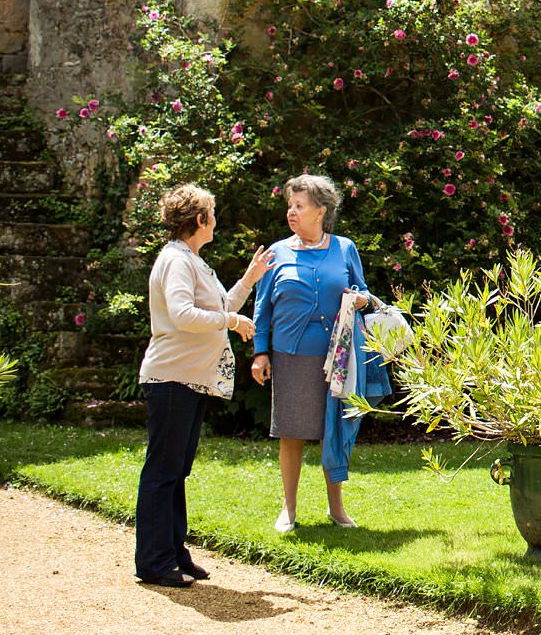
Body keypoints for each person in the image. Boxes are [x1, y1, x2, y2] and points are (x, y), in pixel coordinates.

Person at [136, 183, 271, 587]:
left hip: (189, 380)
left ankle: (174, 553)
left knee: (176, 470)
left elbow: (219, 307)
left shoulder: (192, 260)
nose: (216, 220)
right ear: (200, 220)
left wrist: (249, 279)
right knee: (163, 471)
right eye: (212, 213)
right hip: (171, 378)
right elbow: (182, 314)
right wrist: (232, 323)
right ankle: (154, 562)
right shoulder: (176, 261)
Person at [251, 172, 371, 532]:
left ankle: (337, 509)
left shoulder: (345, 248)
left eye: (299, 206)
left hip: (337, 356)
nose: (292, 212)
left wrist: (361, 299)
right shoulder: (277, 252)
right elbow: (262, 309)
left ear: (320, 211)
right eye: (290, 205)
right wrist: (261, 353)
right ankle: (289, 509)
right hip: (291, 354)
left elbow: (362, 293)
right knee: (291, 431)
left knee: (332, 430)